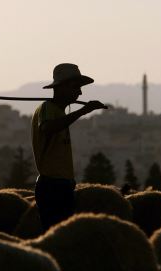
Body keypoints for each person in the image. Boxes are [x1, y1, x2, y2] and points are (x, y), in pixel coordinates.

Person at [31, 63, 107, 230]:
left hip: (62, 186)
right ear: (61, 88)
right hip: (52, 187)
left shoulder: (58, 112)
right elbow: (47, 127)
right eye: (75, 87)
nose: (80, 92)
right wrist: (83, 111)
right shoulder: (47, 108)